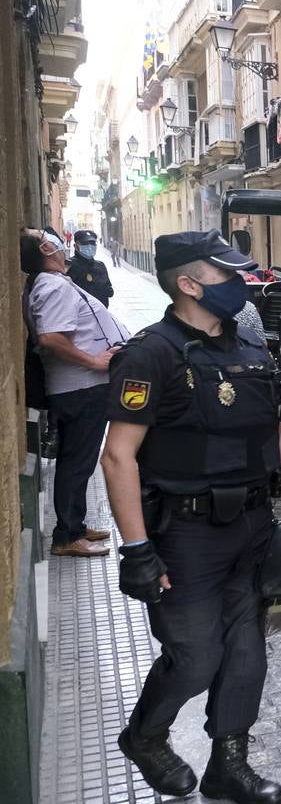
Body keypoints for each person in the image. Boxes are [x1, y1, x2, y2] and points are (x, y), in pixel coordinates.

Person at [100, 229, 281, 804]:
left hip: (253, 529)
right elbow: (117, 455)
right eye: (226, 275)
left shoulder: (253, 348)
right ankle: (145, 736)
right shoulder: (149, 354)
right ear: (188, 284)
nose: (240, 285)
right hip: (184, 536)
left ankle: (229, 767)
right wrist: (136, 549)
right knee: (197, 657)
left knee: (246, 653)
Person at [21, 227, 131, 557]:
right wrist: (95, 360)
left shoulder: (51, 284)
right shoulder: (51, 285)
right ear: (44, 248)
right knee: (76, 463)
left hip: (80, 386)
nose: (56, 240)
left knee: (78, 461)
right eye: (46, 236)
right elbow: (51, 338)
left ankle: (76, 525)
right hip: (80, 387)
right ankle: (66, 536)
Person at [69, 230, 115, 307]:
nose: (90, 247)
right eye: (85, 243)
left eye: (92, 243)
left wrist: (107, 291)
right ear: (75, 246)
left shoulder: (100, 265)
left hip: (101, 314)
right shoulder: (69, 265)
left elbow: (109, 289)